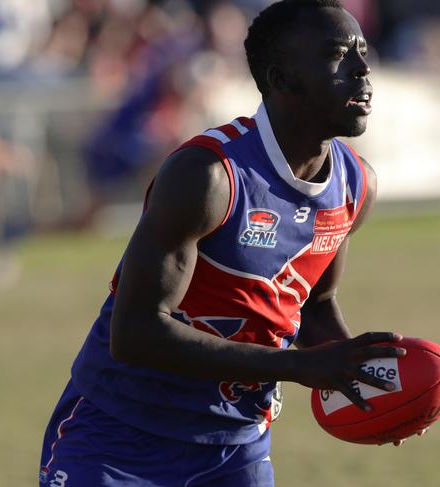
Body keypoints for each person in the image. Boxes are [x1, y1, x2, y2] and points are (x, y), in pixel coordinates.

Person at [39, 1, 418, 486]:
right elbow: (135, 332)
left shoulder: (354, 186)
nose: (363, 69)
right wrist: (298, 366)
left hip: (235, 450)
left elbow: (314, 305)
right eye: (338, 55)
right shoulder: (208, 176)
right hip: (120, 436)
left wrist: (366, 383)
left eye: (363, 51)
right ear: (282, 79)